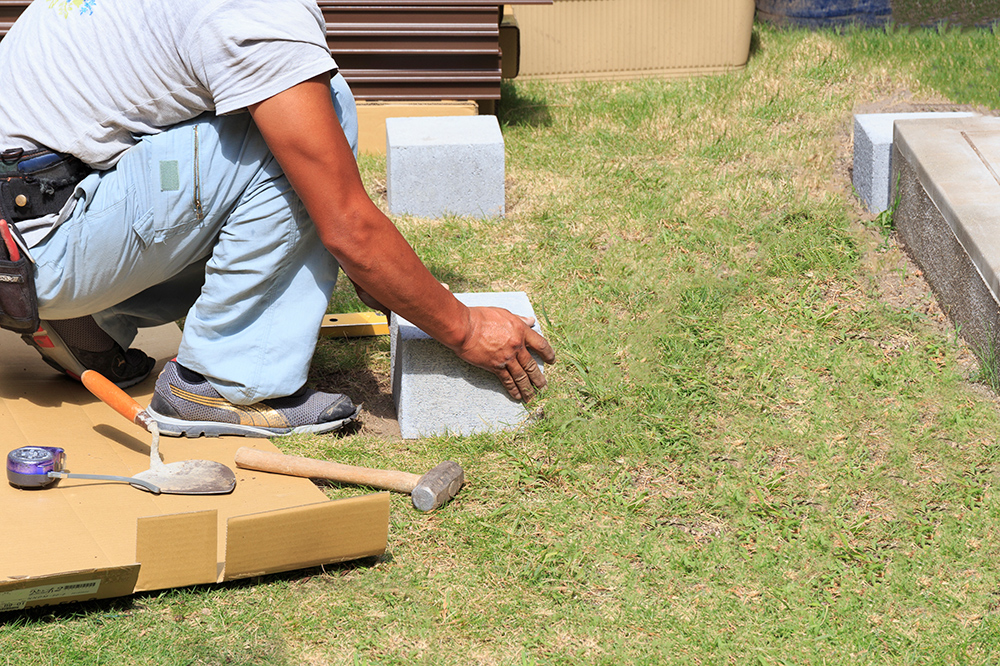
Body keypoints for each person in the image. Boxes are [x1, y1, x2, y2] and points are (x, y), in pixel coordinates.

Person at [0, 0, 555, 438]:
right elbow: (343, 219)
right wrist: (464, 327)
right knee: (314, 114)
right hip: (42, 243)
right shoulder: (257, 12)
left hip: (22, 234)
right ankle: (221, 384)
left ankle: (95, 321)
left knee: (264, 118)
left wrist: (380, 274)